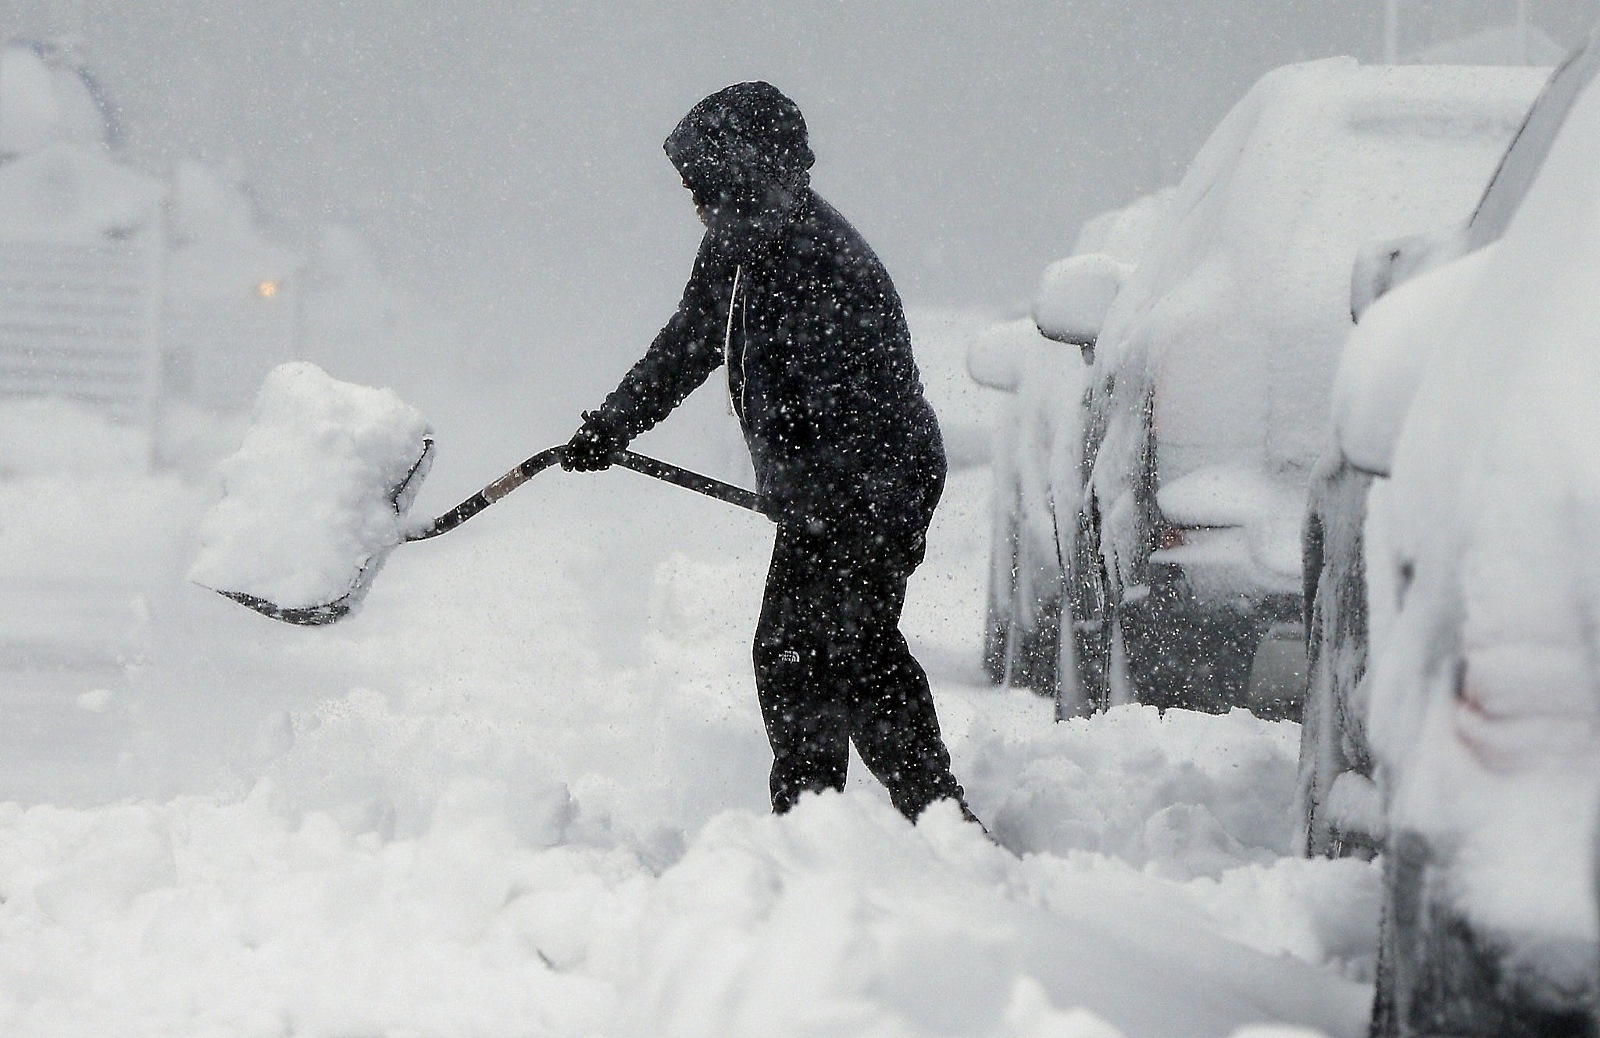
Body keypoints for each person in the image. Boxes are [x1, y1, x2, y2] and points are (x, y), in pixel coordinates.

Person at [562, 81, 974, 825]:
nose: (699, 206)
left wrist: (818, 496)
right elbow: (690, 340)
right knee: (816, 656)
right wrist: (613, 425)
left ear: (753, 172)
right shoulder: (745, 240)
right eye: (696, 191)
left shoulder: (823, 260)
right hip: (837, 490)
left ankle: (910, 817)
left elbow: (849, 408)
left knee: (836, 652)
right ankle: (844, 819)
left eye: (709, 187)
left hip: (878, 481)